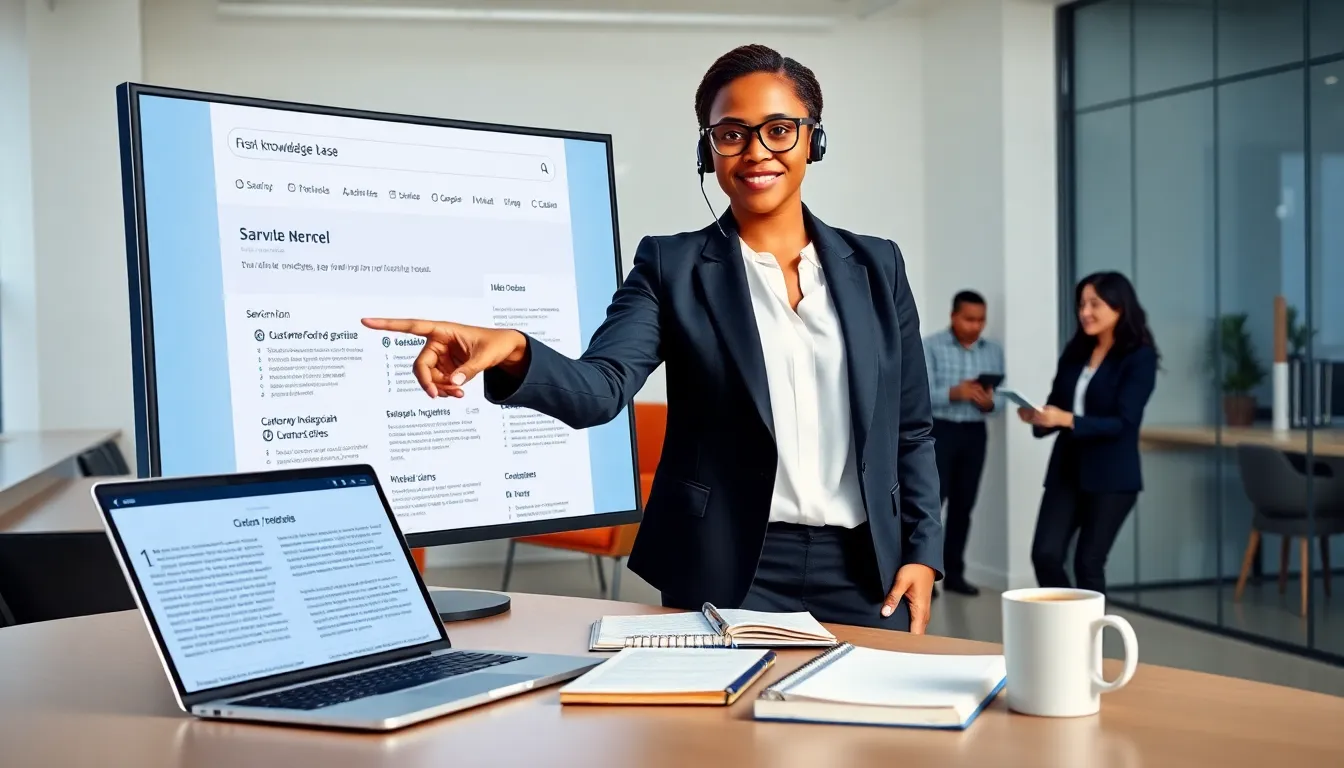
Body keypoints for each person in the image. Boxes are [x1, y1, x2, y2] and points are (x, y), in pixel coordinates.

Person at [362, 44, 943, 632]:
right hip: (726, 565)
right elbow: (600, 388)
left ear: (813, 139)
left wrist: (923, 552)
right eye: (731, 134)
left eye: (778, 130)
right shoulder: (672, 266)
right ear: (707, 150)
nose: (756, 152)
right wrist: (515, 348)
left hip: (867, 568)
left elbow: (911, 427)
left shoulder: (878, 266)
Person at [1017, 271, 1159, 595]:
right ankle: (1069, 620)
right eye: (1081, 304)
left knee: (1088, 563)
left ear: (1119, 306)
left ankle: (1089, 628)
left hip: (1112, 477)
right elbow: (1058, 404)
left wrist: (1066, 418)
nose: (1085, 312)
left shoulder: (1139, 358)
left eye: (1095, 304)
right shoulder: (1075, 352)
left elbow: (1124, 422)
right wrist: (1041, 418)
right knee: (1045, 555)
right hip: (1067, 470)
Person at [923, 290, 1004, 597]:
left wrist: (988, 403)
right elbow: (919, 395)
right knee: (931, 505)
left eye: (981, 320)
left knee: (963, 506)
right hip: (939, 431)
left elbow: (1001, 401)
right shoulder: (931, 346)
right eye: (969, 319)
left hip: (975, 433)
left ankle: (955, 574)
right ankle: (924, 577)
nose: (975, 326)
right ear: (953, 316)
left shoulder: (993, 351)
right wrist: (955, 393)